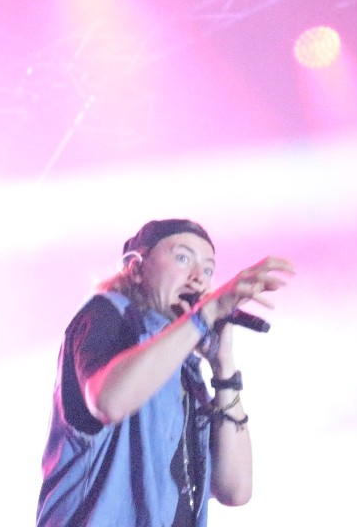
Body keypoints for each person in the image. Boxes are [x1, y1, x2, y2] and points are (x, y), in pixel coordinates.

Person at [35, 218, 295, 527]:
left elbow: (235, 489)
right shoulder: (107, 315)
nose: (198, 278)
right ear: (135, 268)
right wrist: (205, 314)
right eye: (183, 258)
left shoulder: (184, 368)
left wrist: (223, 366)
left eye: (208, 270)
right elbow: (109, 401)